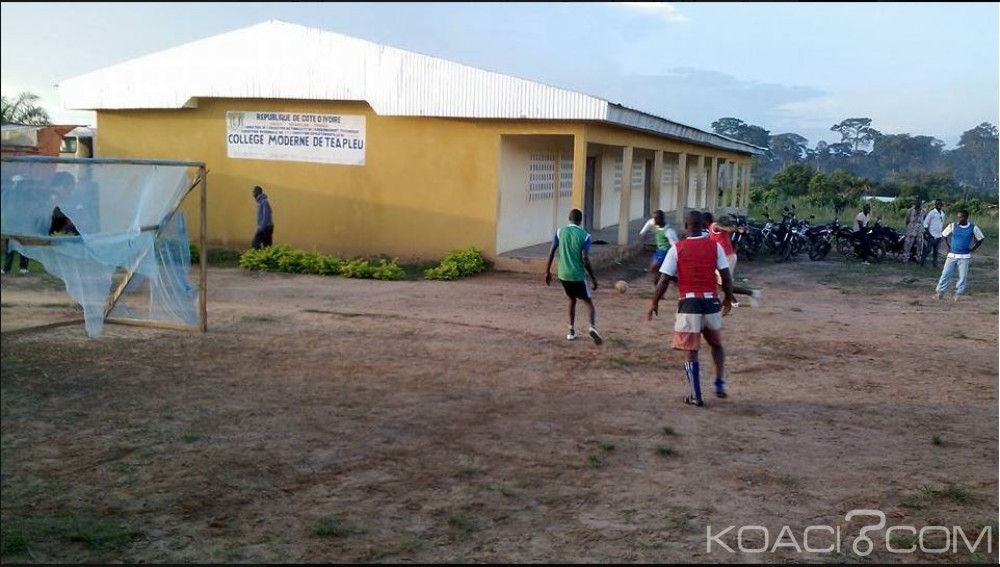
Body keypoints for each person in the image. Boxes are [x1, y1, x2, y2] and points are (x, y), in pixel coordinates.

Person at [647, 210, 736, 407]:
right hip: (711, 302)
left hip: (689, 304)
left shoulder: (677, 249)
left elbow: (664, 280)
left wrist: (655, 302)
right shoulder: (715, 247)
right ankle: (719, 382)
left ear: (686, 227)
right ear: (704, 227)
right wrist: (728, 298)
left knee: (690, 350)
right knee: (716, 344)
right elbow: (726, 277)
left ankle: (696, 394)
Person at [545, 208, 603, 345]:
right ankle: (592, 327)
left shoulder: (560, 232)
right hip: (577, 274)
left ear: (569, 219)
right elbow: (585, 258)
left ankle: (571, 330)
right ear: (580, 220)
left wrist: (547, 271)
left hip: (563, 274)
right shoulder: (585, 236)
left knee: (572, 300)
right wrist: (593, 278)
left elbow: (552, 251)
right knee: (588, 302)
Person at [703, 211, 762, 308]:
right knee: (718, 280)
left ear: (706, 221)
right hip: (724, 257)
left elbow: (721, 228)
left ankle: (750, 293)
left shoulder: (713, 226)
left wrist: (731, 229)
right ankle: (730, 299)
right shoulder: (710, 229)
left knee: (724, 283)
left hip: (727, 257)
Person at [934, 209, 984, 301]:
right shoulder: (953, 226)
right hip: (952, 255)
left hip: (964, 256)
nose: (958, 219)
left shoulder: (973, 228)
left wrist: (973, 248)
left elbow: (980, 238)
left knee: (962, 276)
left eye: (960, 218)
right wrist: (948, 247)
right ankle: (940, 292)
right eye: (958, 217)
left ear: (965, 218)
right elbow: (944, 235)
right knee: (945, 274)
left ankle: (958, 293)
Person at [638, 210, 678, 284]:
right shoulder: (655, 222)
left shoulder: (669, 231)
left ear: (661, 219)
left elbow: (675, 245)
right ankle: (671, 279)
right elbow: (649, 223)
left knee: (653, 268)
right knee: (657, 271)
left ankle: (666, 281)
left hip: (666, 252)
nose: (654, 220)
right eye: (653, 218)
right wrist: (642, 233)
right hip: (659, 250)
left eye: (655, 219)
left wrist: (675, 256)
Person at [921, 199, 946, 268]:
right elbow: (925, 223)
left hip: (939, 235)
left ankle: (935, 264)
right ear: (935, 205)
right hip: (932, 234)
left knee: (936, 251)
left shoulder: (943, 213)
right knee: (928, 250)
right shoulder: (931, 213)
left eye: (940, 204)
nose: (939, 205)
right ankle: (922, 263)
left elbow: (941, 224)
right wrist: (928, 234)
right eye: (937, 204)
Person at [902, 198, 925, 263]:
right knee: (907, 246)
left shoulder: (923, 211)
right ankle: (905, 259)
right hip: (911, 231)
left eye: (920, 203)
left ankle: (918, 258)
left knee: (919, 246)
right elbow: (907, 220)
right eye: (917, 203)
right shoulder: (910, 211)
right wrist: (908, 228)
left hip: (919, 231)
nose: (918, 204)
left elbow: (925, 220)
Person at [251, 185, 274, 249]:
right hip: (268, 226)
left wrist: (261, 228)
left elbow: (266, 215)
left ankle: (258, 256)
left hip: (266, 227)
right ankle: (266, 257)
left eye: (253, 191)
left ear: (257, 192)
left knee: (255, 243)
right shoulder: (260, 202)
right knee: (267, 246)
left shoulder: (263, 202)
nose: (252, 193)